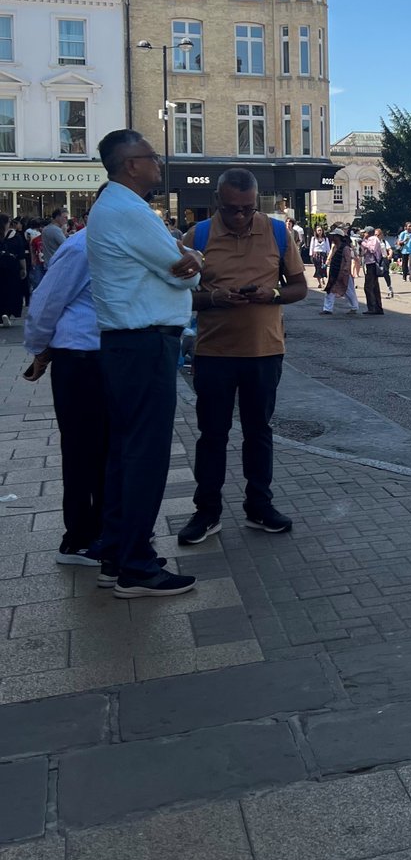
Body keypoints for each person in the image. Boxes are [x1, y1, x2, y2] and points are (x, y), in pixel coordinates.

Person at [86, 129, 202, 597]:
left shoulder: (111, 208)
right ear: (131, 164)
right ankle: (137, 565)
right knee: (145, 456)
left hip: (126, 344)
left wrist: (185, 262)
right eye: (151, 157)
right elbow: (183, 269)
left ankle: (116, 554)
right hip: (144, 342)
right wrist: (191, 260)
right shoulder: (130, 211)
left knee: (123, 453)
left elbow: (178, 266)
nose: (158, 163)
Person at [176, 169, 307, 545]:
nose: (240, 217)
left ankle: (259, 506)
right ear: (218, 202)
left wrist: (274, 295)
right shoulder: (196, 237)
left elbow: (299, 287)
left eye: (248, 210)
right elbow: (177, 295)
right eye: (232, 210)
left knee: (259, 433)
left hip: (264, 352)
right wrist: (212, 298)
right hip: (214, 353)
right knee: (212, 435)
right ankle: (207, 511)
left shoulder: (278, 232)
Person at [22, 222, 108, 567]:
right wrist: (40, 349)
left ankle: (103, 531)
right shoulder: (81, 247)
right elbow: (46, 301)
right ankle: (78, 539)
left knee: (106, 450)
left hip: (105, 359)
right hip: (81, 359)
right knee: (81, 450)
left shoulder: (116, 241)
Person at [321, 229, 361, 315]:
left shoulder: (345, 248)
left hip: (343, 273)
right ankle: (327, 308)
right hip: (335, 271)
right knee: (330, 289)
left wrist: (346, 270)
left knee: (348, 290)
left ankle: (354, 307)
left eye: (334, 236)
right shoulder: (335, 246)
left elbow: (348, 260)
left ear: (338, 237)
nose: (332, 237)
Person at [0, 214, 26, 325]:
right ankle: (8, 312)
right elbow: (21, 255)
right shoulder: (15, 236)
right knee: (12, 289)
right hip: (12, 266)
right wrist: (24, 268)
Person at [360, 225, 385, 314]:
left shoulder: (374, 239)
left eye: (365, 232)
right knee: (374, 287)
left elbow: (372, 250)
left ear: (369, 233)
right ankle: (377, 307)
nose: (363, 234)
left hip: (373, 264)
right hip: (369, 264)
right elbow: (364, 252)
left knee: (368, 287)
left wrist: (363, 243)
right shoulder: (367, 240)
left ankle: (372, 308)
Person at [377, 230, 395, 298]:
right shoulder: (373, 242)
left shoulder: (384, 242)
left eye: (378, 235)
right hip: (376, 260)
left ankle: (389, 288)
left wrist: (390, 255)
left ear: (381, 235)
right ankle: (375, 291)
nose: (377, 236)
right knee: (374, 275)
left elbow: (390, 249)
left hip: (384, 259)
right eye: (375, 235)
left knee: (385, 273)